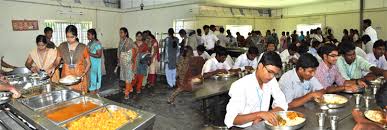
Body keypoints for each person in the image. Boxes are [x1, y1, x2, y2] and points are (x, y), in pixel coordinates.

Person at [224, 52, 288, 128]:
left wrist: (262, 117)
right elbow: (231, 119)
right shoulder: (241, 85)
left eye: (275, 74)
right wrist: (259, 114)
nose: (271, 76)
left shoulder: (271, 80)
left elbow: (282, 104)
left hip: (261, 124)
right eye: (270, 72)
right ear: (260, 66)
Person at [57, 25, 90, 93]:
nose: (69, 39)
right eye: (67, 37)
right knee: (68, 95)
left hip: (79, 76)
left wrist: (83, 74)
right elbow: (57, 60)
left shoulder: (83, 47)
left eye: (72, 37)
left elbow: (89, 63)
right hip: (66, 76)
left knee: (79, 97)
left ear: (76, 36)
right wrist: (53, 67)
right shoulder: (62, 46)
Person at [86, 29, 103, 94]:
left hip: (95, 65)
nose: (87, 36)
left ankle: (96, 94)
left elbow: (99, 55)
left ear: (93, 35)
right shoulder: (89, 43)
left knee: (96, 79)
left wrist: (89, 53)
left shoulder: (97, 44)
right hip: (90, 64)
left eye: (88, 35)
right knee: (91, 78)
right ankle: (92, 92)